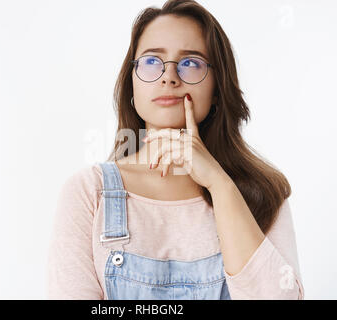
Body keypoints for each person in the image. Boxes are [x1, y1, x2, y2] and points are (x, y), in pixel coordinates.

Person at [47, 0, 305, 299]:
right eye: (152, 61)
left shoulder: (261, 192)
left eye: (190, 62)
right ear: (132, 85)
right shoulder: (90, 192)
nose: (168, 77)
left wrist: (220, 185)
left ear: (217, 87)